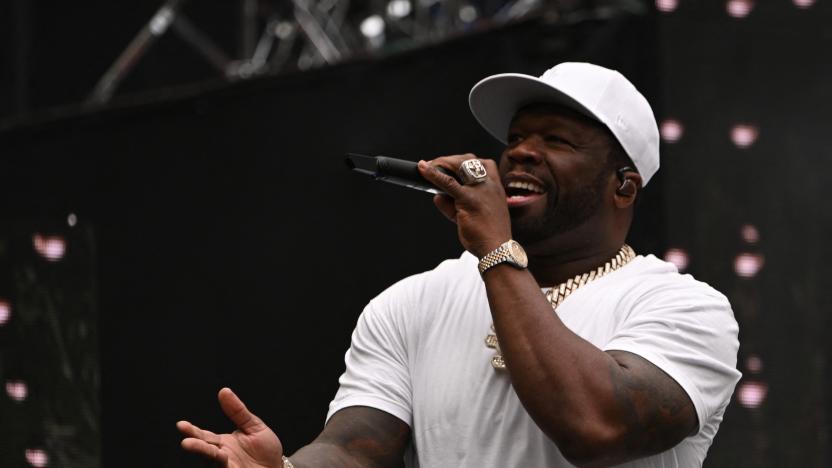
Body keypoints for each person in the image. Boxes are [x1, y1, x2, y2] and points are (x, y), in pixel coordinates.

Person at [177, 62, 741, 468]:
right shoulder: (413, 301)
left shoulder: (685, 308)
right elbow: (354, 448)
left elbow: (595, 427)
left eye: (557, 141)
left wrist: (497, 250)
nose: (521, 151)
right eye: (516, 137)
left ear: (624, 188)